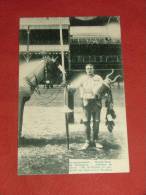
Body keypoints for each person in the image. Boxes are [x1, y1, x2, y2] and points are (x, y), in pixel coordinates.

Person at [69, 64, 104, 150]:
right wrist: (67, 86)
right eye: (87, 68)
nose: (89, 70)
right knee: (86, 122)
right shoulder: (82, 78)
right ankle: (87, 141)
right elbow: (73, 87)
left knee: (96, 122)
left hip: (96, 102)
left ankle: (96, 141)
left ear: (93, 69)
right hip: (86, 102)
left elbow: (104, 88)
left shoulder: (98, 78)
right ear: (85, 70)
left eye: (91, 68)